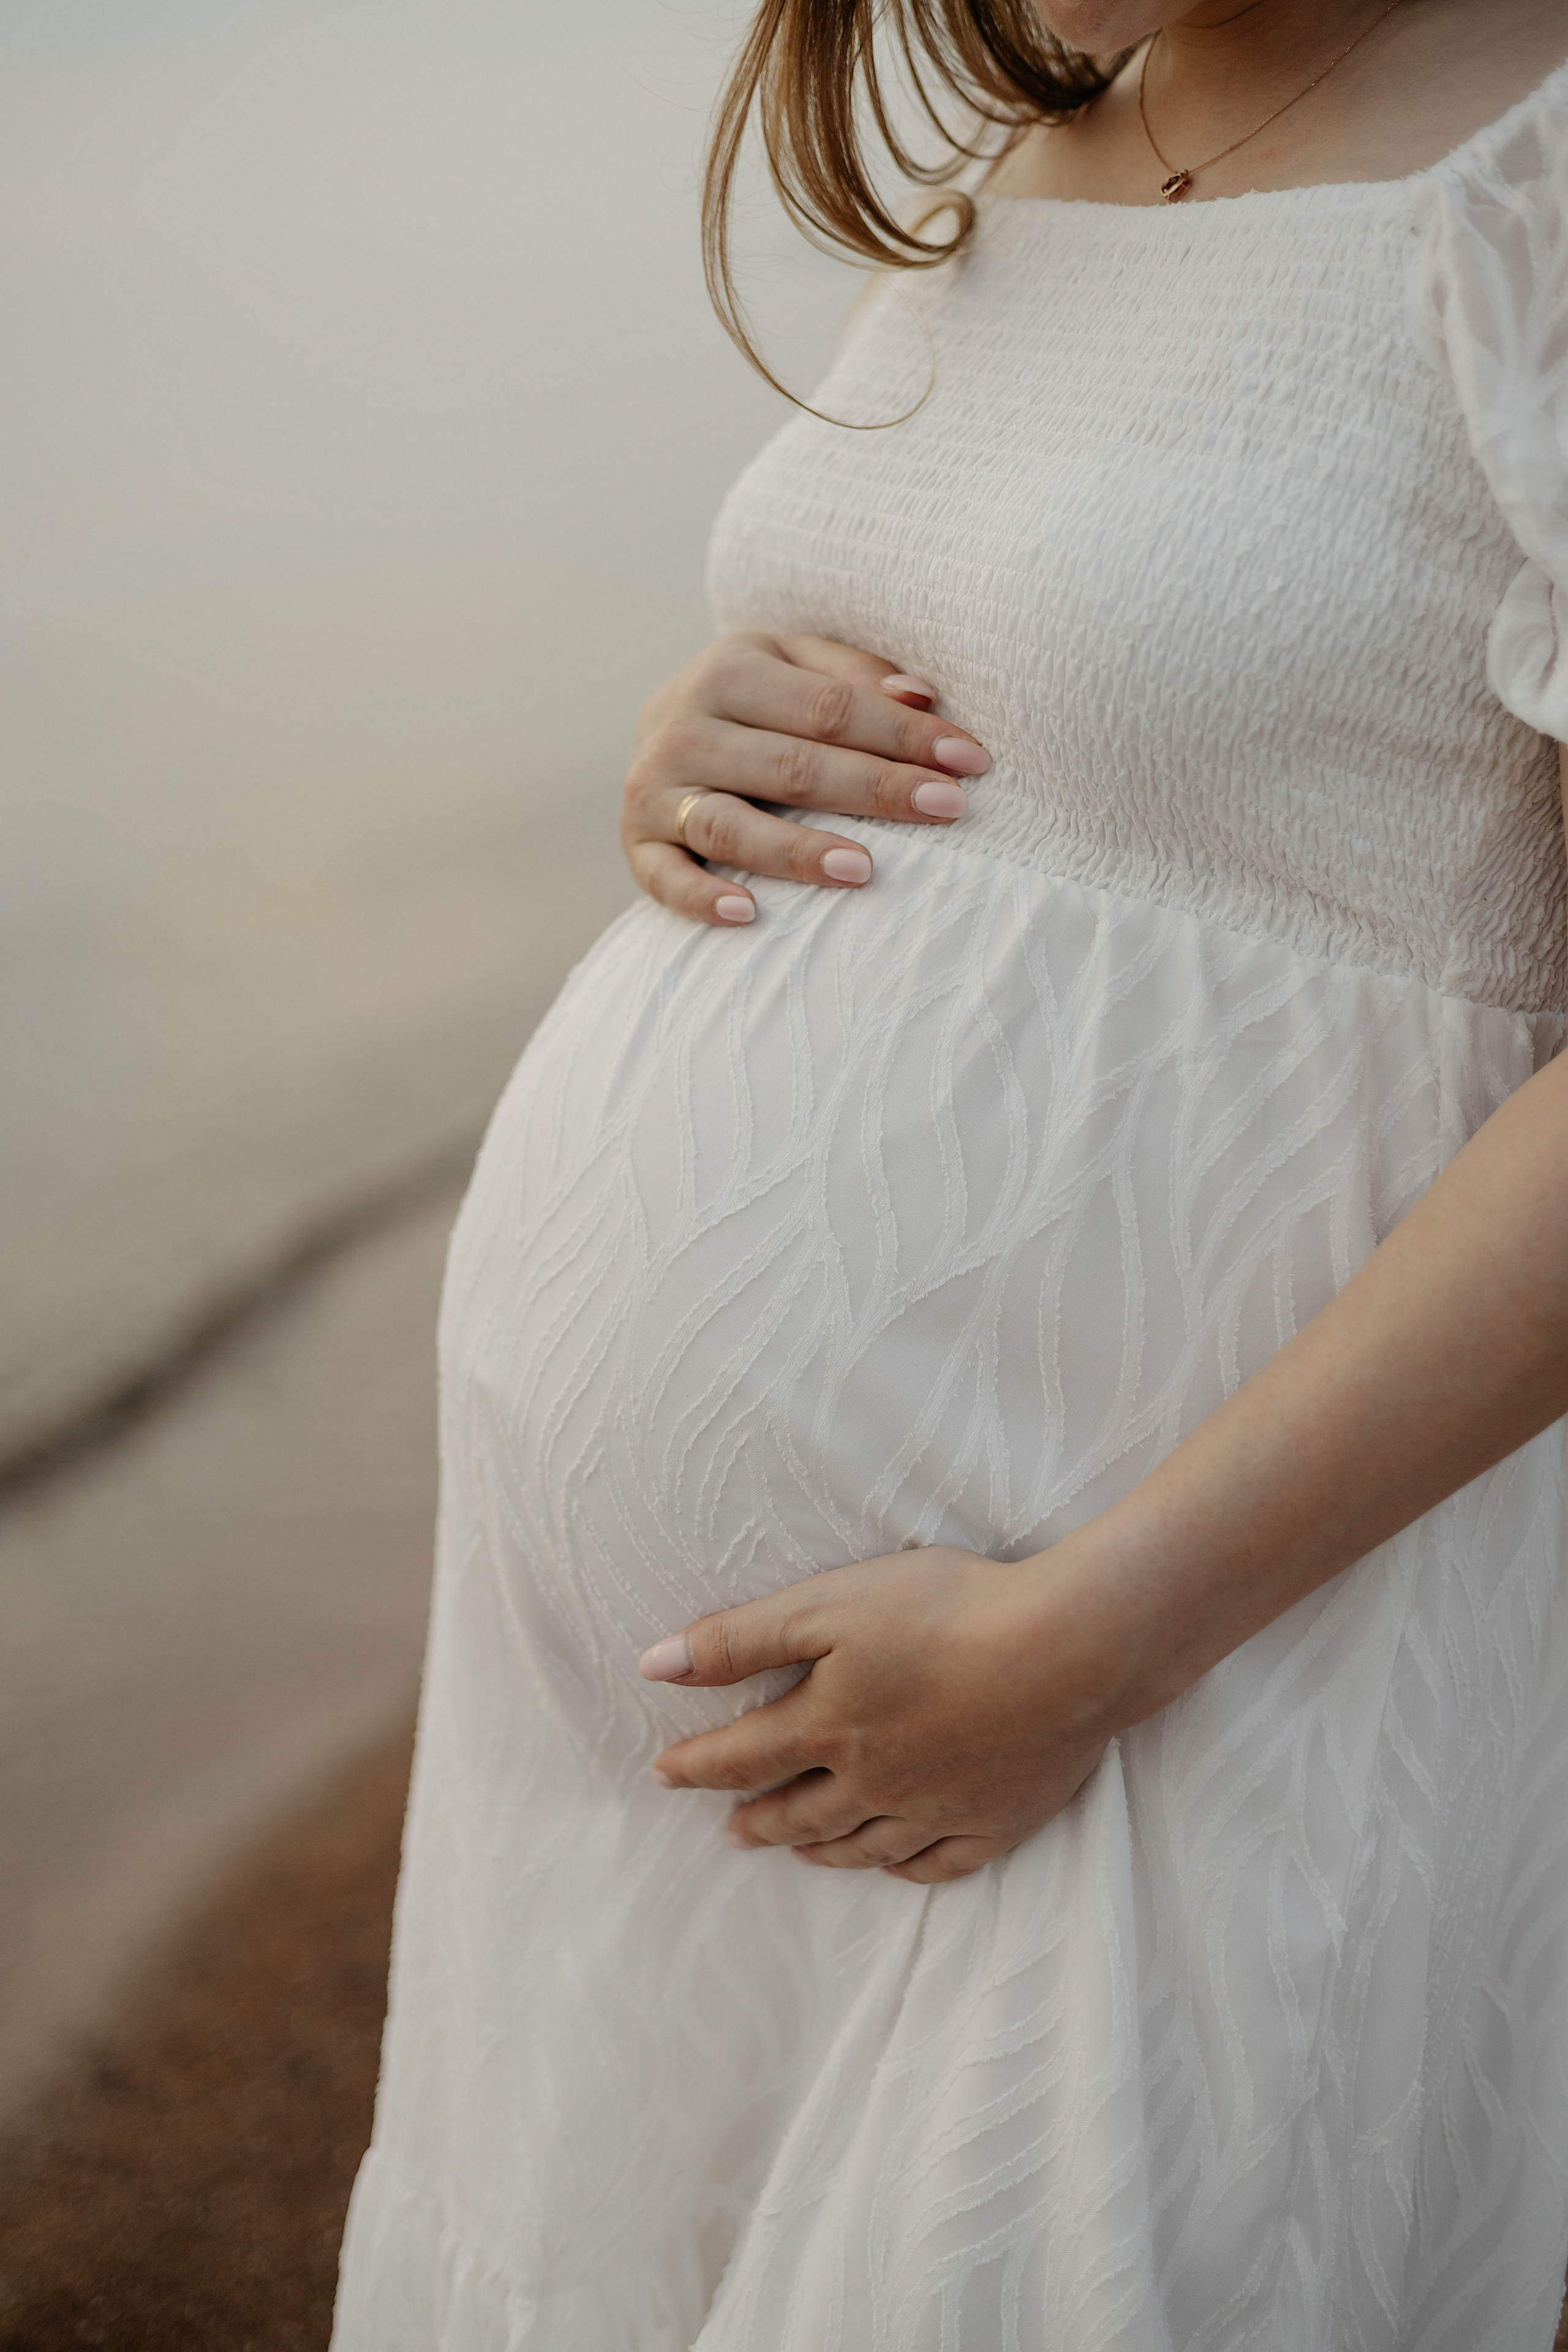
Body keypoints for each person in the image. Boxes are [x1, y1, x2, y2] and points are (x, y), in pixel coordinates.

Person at [332, 3, 1568, 2343]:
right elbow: (1071, 720)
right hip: (628, 1789)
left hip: (1144, 1686)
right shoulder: (1066, 122)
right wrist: (693, 740)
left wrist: (1097, 1638)